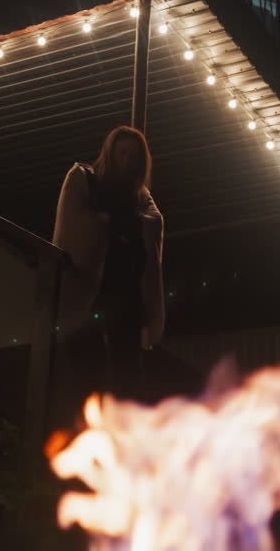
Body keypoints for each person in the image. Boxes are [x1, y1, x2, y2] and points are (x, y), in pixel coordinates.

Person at [50, 125, 165, 423]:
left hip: (124, 296)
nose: (127, 160)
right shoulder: (83, 178)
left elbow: (153, 224)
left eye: (133, 155)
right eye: (122, 153)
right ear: (110, 154)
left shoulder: (141, 198)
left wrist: (119, 221)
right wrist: (110, 221)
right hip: (87, 290)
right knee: (87, 375)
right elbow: (71, 227)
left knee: (129, 377)